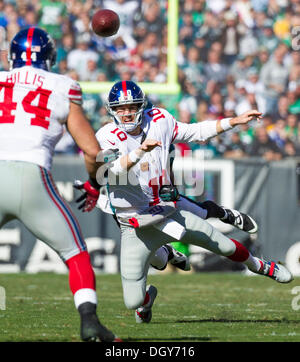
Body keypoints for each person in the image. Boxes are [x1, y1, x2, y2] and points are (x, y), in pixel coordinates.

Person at [85, 81, 293, 324]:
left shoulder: (159, 119)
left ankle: (261, 265)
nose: (127, 113)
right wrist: (139, 152)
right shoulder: (106, 136)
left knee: (223, 246)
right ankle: (152, 286)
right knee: (133, 301)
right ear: (111, 111)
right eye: (120, 109)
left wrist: (233, 121)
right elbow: (110, 172)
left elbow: (196, 131)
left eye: (131, 107)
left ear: (141, 106)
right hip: (135, 227)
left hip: (167, 211)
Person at [0, 27, 120, 342]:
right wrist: (95, 184)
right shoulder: (63, 86)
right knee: (76, 254)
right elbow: (93, 150)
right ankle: (90, 322)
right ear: (50, 57)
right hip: (32, 176)